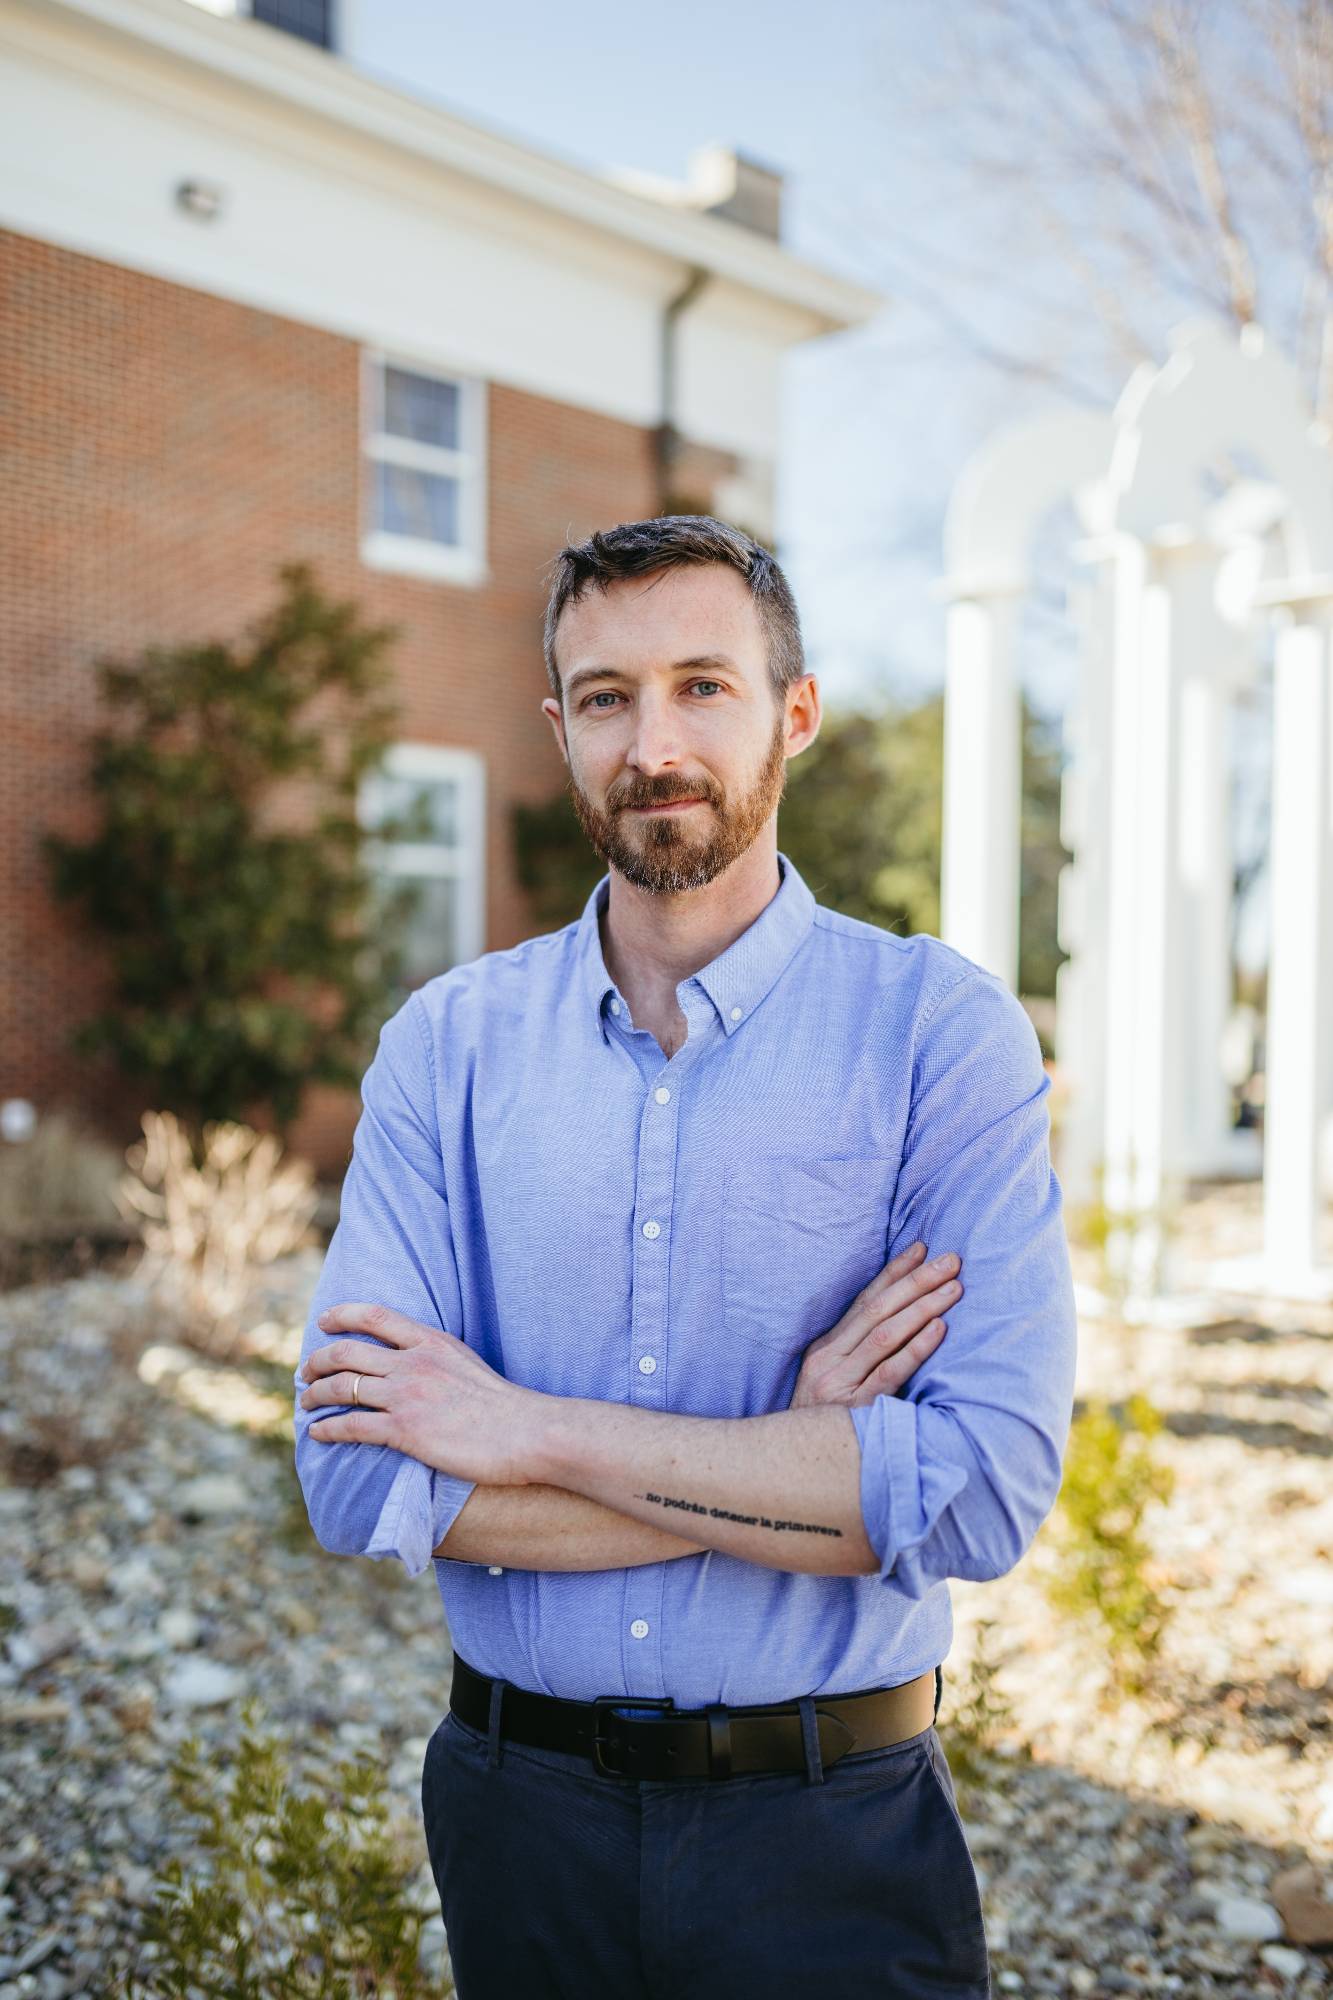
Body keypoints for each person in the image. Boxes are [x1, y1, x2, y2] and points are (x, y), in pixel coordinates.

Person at [292, 515, 1078, 1999]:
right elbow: (356, 1474)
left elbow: (978, 1488)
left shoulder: (933, 1037)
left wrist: (524, 1437)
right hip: (519, 1821)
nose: (652, 741)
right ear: (560, 729)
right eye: (605, 697)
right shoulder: (447, 1050)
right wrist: (802, 1459)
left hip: (833, 1835)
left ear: (795, 711)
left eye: (701, 685)